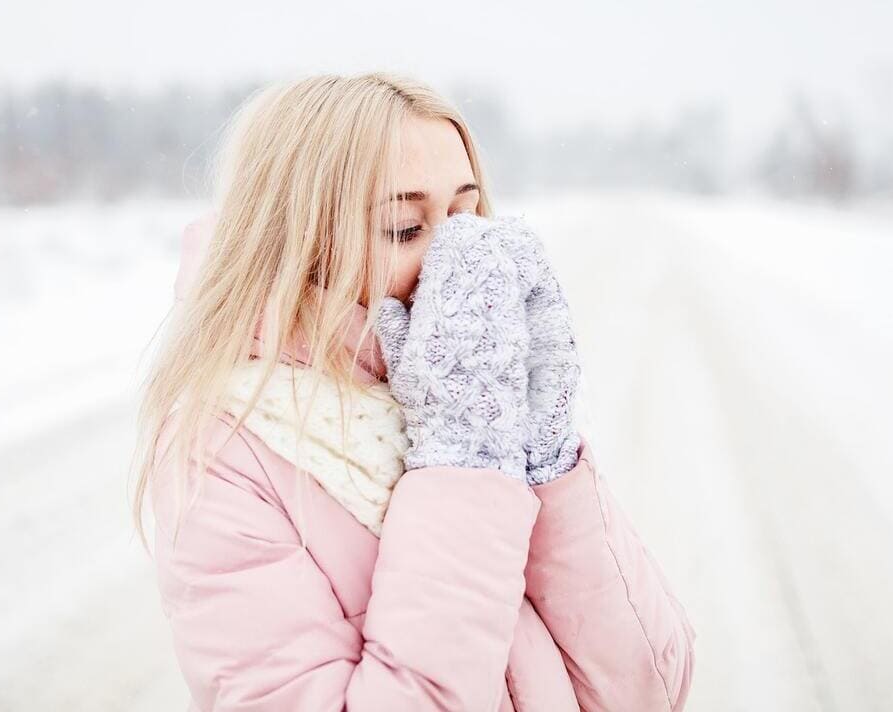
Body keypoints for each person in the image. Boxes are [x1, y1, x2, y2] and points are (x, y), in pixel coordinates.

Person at [130, 71, 697, 711]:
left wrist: (545, 453)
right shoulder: (225, 452)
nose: (460, 257)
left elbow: (650, 687)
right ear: (298, 248)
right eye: (405, 227)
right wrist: (463, 463)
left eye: (465, 214)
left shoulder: (473, 387)